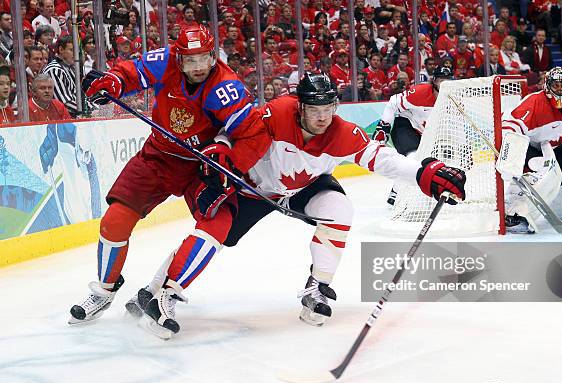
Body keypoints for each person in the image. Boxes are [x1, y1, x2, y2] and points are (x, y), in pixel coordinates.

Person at [127, 73, 467, 338]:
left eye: (328, 109)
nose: (322, 118)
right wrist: (221, 156)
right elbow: (233, 132)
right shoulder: (276, 113)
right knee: (214, 232)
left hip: (304, 188)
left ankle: (316, 287)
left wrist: (426, 174)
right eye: (314, 110)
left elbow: (383, 159)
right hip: (254, 190)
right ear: (300, 106)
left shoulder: (342, 133)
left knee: (339, 209)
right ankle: (158, 291)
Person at [68, 25, 262, 324]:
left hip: (202, 166)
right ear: (178, 57)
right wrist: (113, 82)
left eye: (204, 58)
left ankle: (167, 293)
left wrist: (228, 160)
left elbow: (252, 134)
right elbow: (132, 73)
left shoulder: (226, 87)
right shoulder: (165, 60)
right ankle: (104, 291)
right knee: (115, 220)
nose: (198, 67)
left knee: (218, 222)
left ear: (214, 56)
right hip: (158, 156)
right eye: (190, 60)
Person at [499, 67, 562, 233]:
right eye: (556, 85)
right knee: (543, 178)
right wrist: (511, 154)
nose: (560, 89)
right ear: (547, 86)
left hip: (555, 148)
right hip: (531, 148)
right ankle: (513, 214)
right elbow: (510, 126)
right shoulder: (533, 102)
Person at [373, 66, 454, 205]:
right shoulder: (420, 92)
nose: (445, 84)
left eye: (448, 81)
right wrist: (384, 127)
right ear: (434, 81)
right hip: (404, 125)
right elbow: (393, 102)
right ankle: (396, 194)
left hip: (422, 131)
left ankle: (398, 190)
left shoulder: (453, 97)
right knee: (413, 157)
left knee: (433, 161)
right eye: (442, 80)